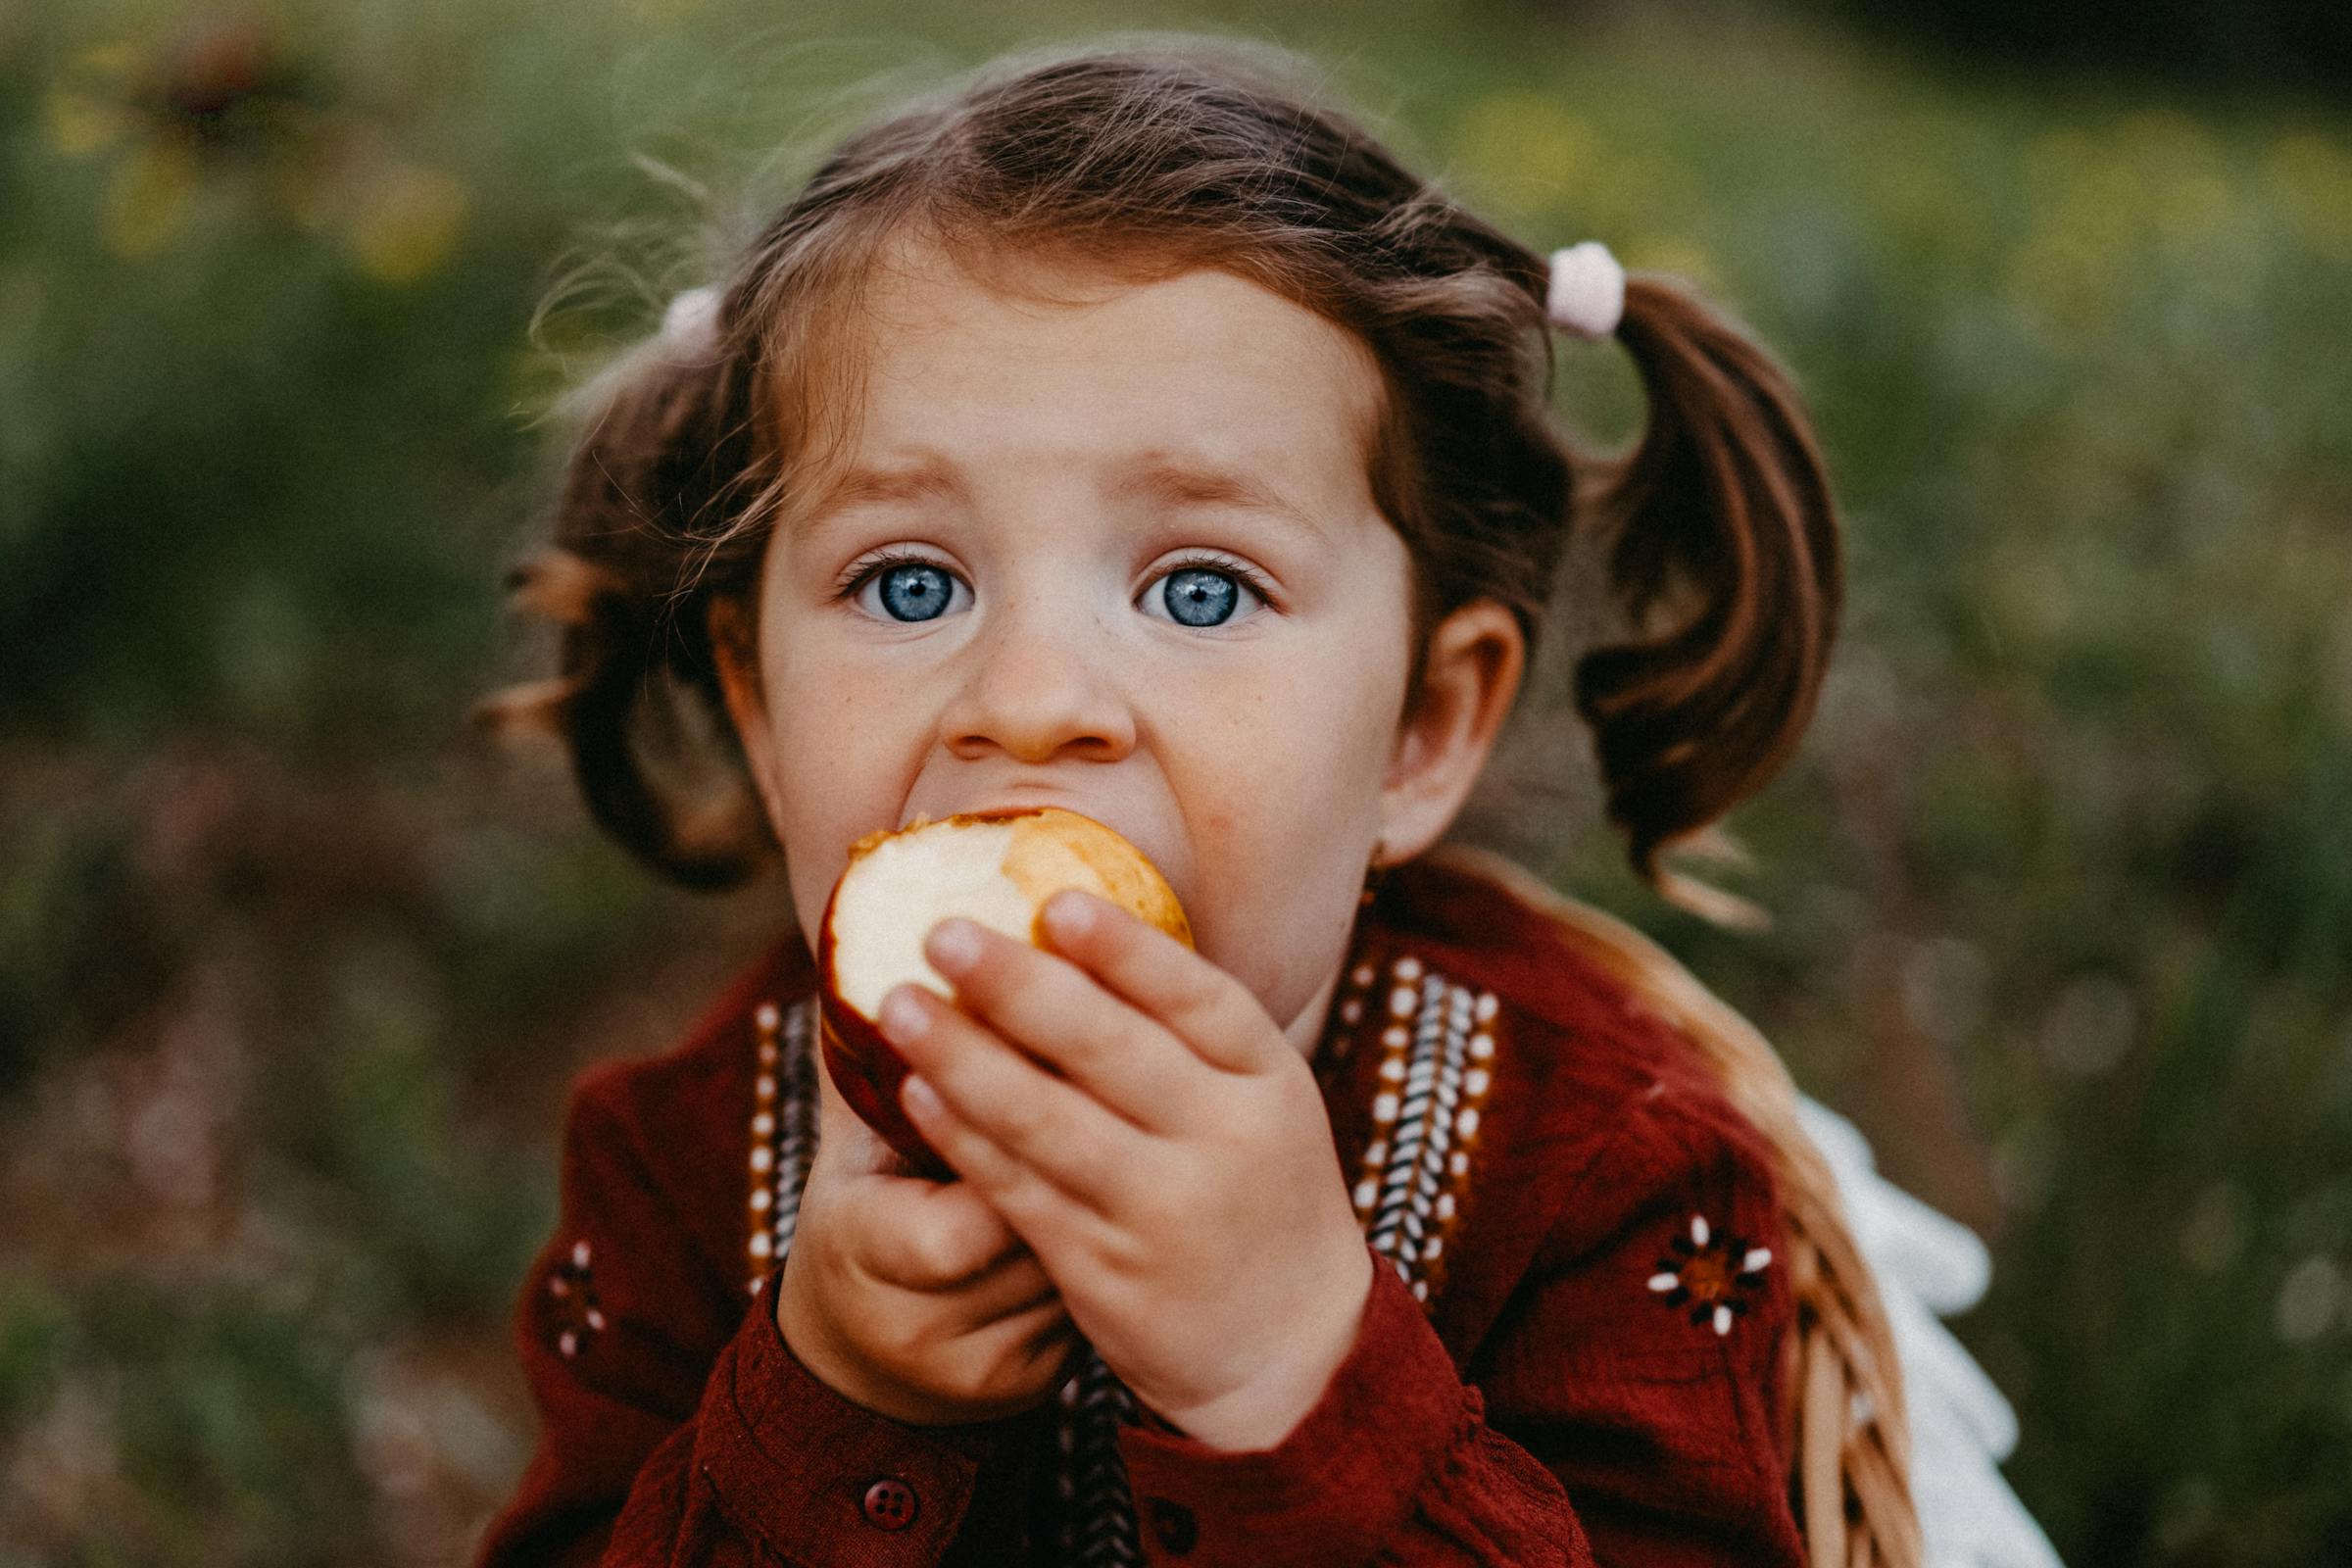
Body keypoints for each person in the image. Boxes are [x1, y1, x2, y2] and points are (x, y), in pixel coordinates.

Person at [466, 36, 2054, 1568]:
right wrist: (824, 1405)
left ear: (1424, 731)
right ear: (757, 705)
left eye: (1204, 591)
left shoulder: (1593, 1179)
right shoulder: (681, 1168)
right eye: (908, 581)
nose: (1030, 699)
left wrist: (1301, 1380)